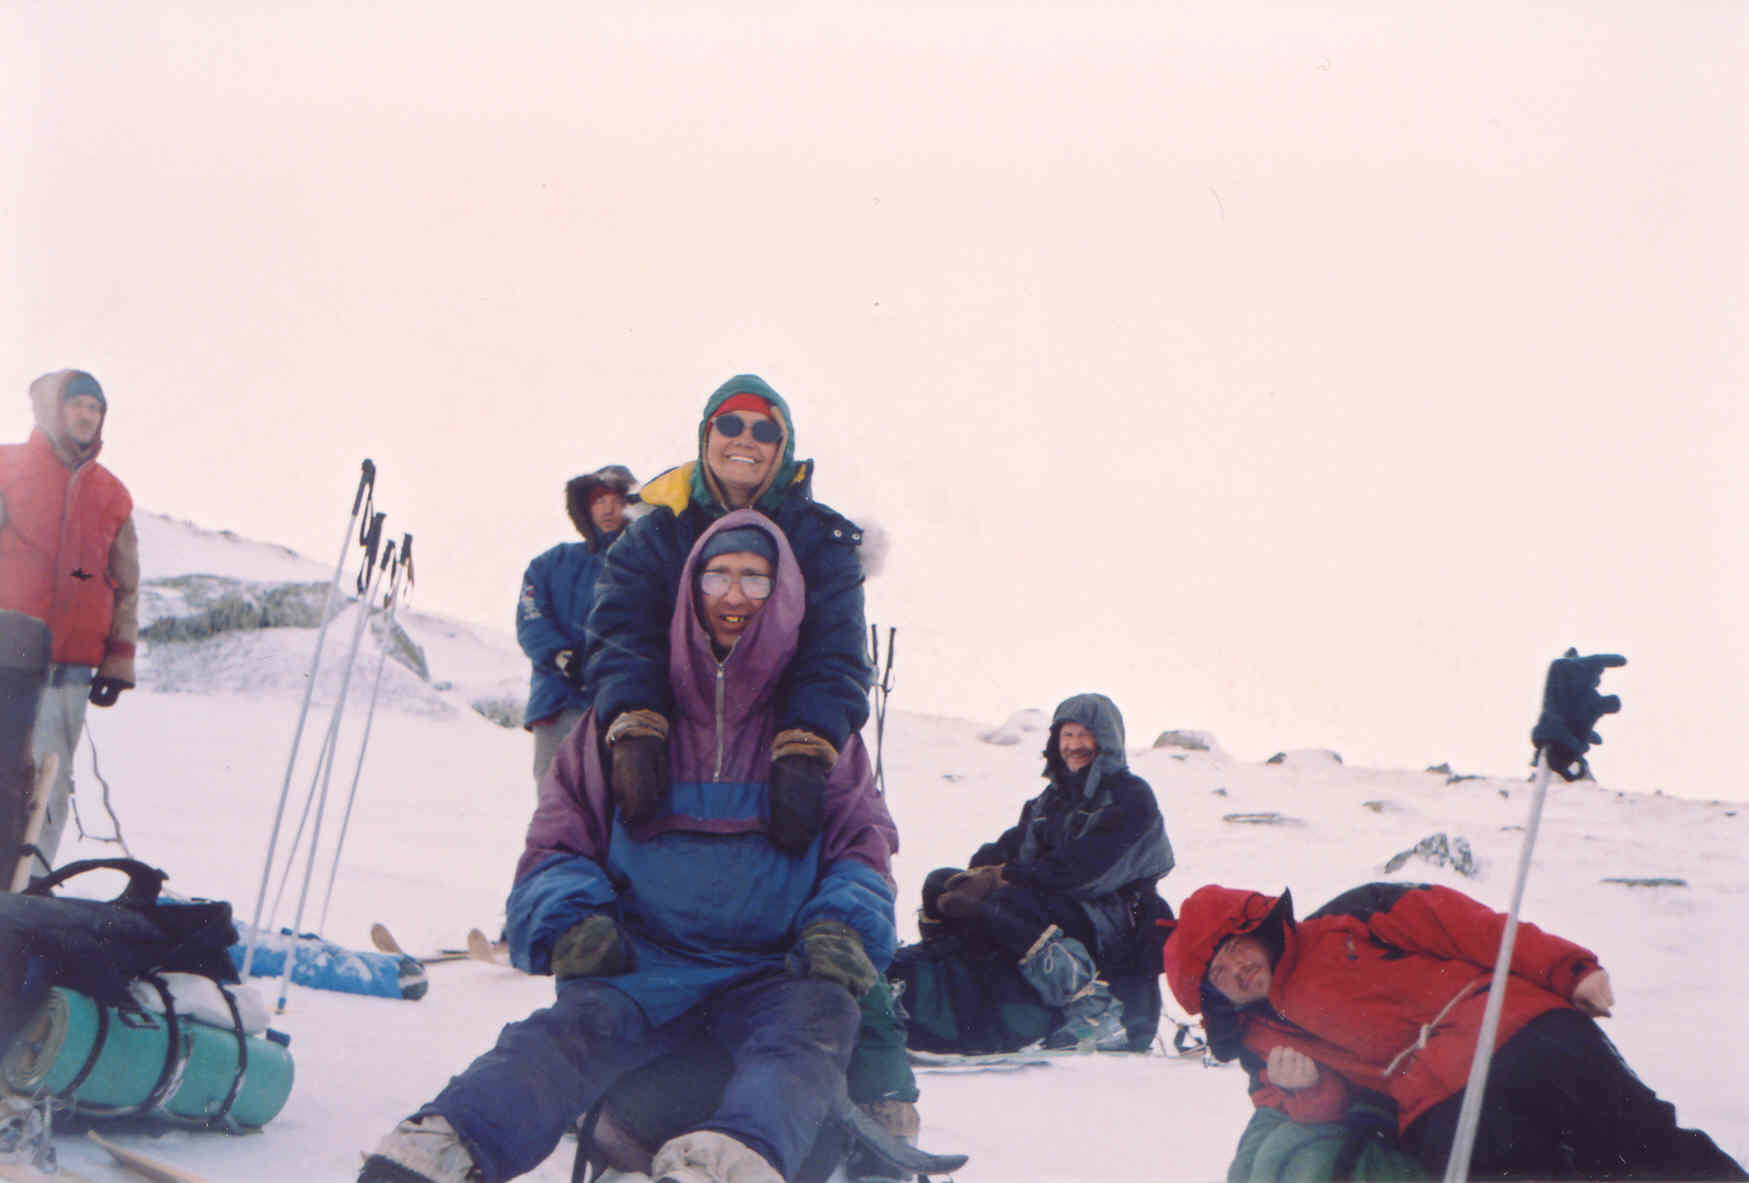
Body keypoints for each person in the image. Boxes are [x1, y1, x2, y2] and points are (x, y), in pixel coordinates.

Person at [361, 511, 899, 1183]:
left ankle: (723, 1166)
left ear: (784, 595)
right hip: (647, 965)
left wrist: (842, 925)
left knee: (814, 1026)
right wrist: (571, 917)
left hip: (772, 972)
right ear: (689, 589)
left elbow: (861, 847)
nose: (734, 595)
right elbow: (558, 841)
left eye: (755, 579)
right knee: (563, 1035)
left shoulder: (814, 733)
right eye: (718, 576)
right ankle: (439, 1151)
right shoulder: (622, 724)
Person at [1163, 881, 1748, 1181]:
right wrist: (1308, 1091)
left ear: (1257, 928)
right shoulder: (1258, 1046)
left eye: (1235, 948)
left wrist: (1567, 968)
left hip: (1516, 1030)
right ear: (1212, 995)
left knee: (1639, 1143)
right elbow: (1326, 1110)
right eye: (1219, 973)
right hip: (1437, 1106)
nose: (1237, 969)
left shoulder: (1347, 920)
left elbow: (1467, 927)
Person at [583, 375, 869, 859]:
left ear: (784, 447)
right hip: (676, 733)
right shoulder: (654, 532)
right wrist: (635, 720)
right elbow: (622, 631)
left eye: (765, 431)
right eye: (731, 425)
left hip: (772, 737)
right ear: (706, 435)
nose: (745, 440)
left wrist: (807, 743)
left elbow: (836, 650)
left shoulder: (822, 541)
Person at [890, 693, 1175, 1053]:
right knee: (941, 883)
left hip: (1111, 917)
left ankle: (1091, 1005)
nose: (1074, 745)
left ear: (1107, 741)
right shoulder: (1051, 799)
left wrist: (1003, 877)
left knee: (1008, 902)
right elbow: (1014, 845)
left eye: (1084, 735)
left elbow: (1087, 872)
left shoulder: (1130, 797)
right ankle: (940, 975)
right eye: (1067, 735)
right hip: (1056, 904)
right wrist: (978, 873)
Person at [0, 369, 138, 874]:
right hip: (7, 658)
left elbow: (126, 584)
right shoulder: (6, 467)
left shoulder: (113, 494)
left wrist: (118, 662)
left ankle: (31, 886)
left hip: (70, 670)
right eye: (76, 404)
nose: (86, 415)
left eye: (94, 408)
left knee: (50, 783)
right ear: (52, 409)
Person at [515, 465, 638, 792]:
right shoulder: (550, 564)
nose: (608, 509)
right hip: (558, 702)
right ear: (584, 507)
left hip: (623, 706)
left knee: (623, 800)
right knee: (556, 797)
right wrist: (560, 656)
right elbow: (530, 616)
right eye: (599, 500)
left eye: (618, 500)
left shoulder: (646, 566)